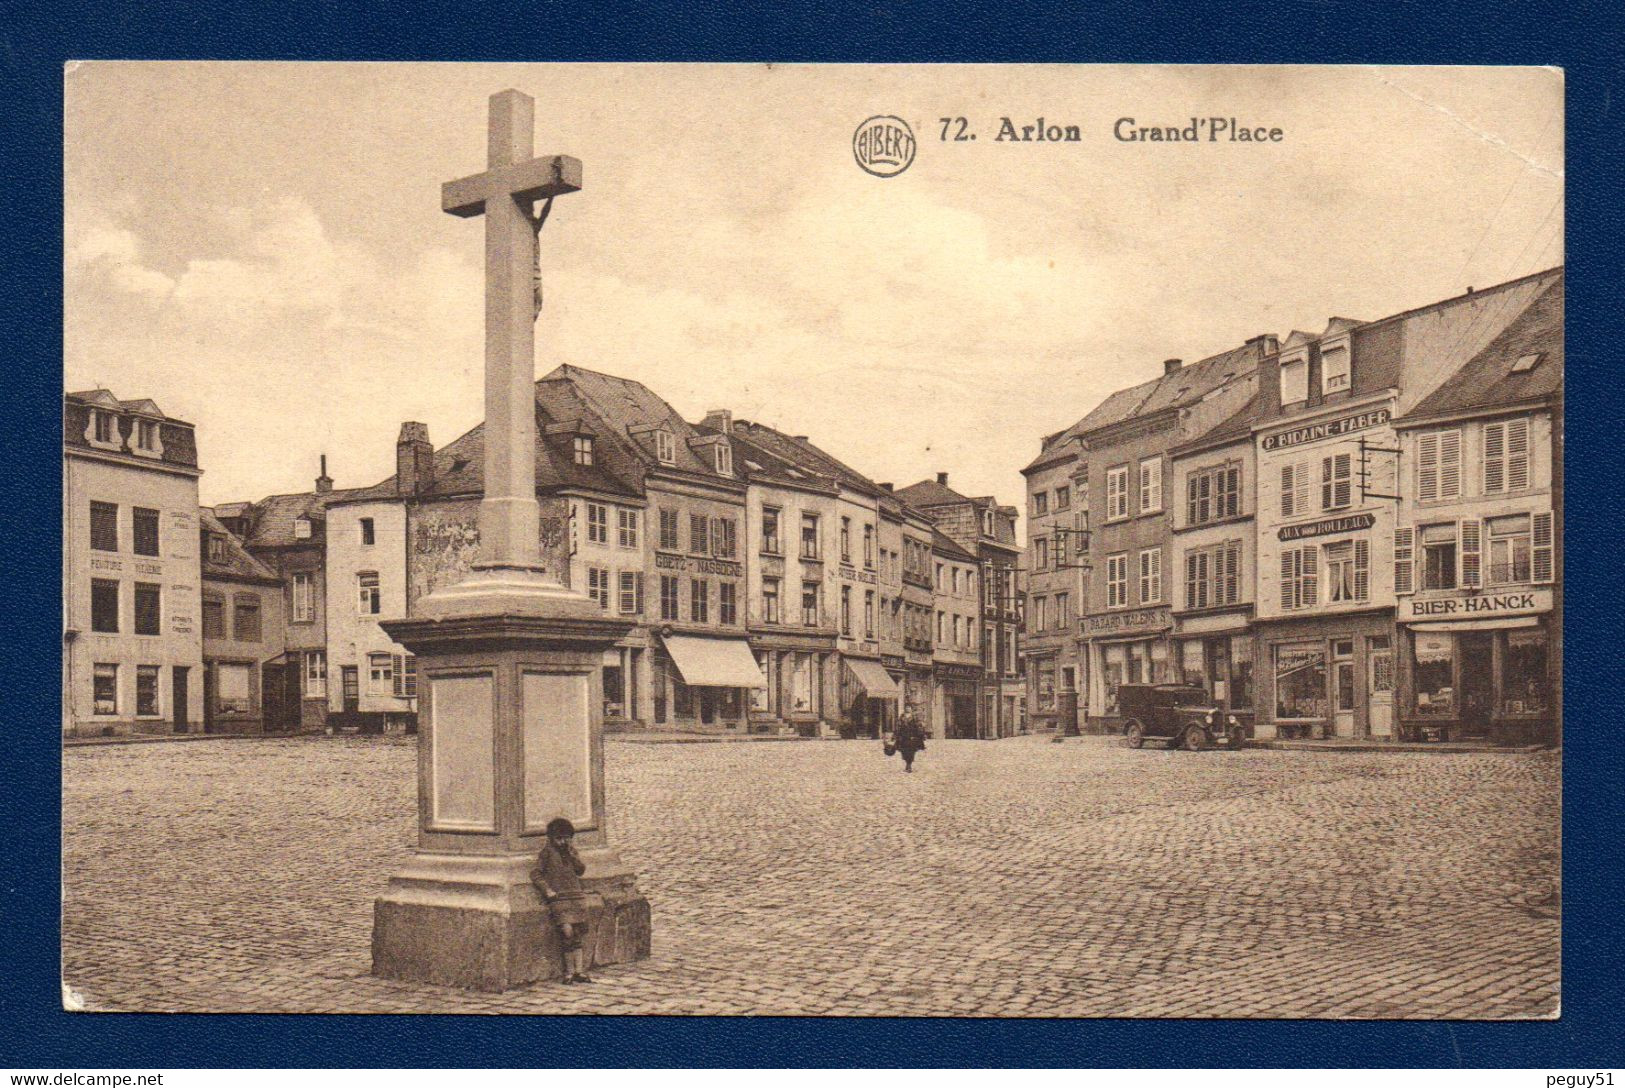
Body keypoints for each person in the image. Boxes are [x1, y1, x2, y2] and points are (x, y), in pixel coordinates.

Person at [531, 817, 598, 984]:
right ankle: (569, 972)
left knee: (577, 934)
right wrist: (547, 890)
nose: (562, 842)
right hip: (560, 899)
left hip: (576, 897)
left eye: (566, 838)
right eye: (559, 838)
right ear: (551, 838)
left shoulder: (571, 852)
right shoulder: (547, 853)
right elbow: (536, 874)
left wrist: (574, 857)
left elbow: (580, 870)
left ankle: (579, 971)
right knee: (567, 932)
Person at [894, 708, 927, 773]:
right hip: (903, 737)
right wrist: (895, 735)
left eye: (909, 707)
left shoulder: (915, 717)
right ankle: (907, 764)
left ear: (911, 709)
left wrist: (921, 735)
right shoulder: (901, 717)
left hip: (912, 737)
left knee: (911, 752)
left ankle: (909, 765)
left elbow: (919, 727)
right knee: (904, 751)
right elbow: (898, 727)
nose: (908, 709)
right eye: (907, 707)